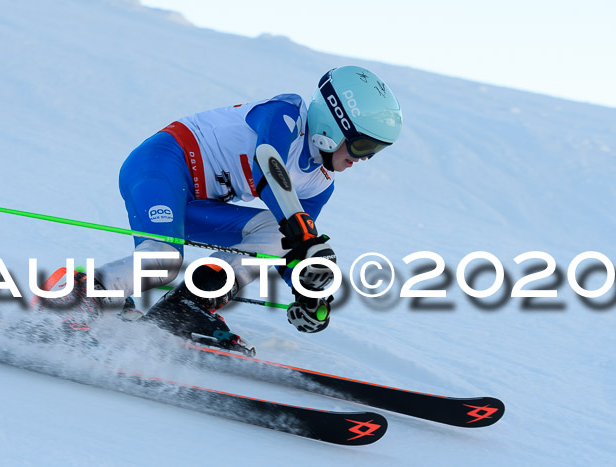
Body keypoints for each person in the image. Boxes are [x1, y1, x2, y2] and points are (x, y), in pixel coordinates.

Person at [74, 65, 402, 351]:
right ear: (334, 125)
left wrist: (307, 291)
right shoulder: (286, 114)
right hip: (161, 164)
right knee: (163, 260)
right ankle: (84, 294)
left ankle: (189, 305)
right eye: (363, 145)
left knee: (276, 232)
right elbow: (267, 167)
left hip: (198, 204)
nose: (363, 158)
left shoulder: (320, 183)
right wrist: (302, 234)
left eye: (375, 151)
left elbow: (290, 246)